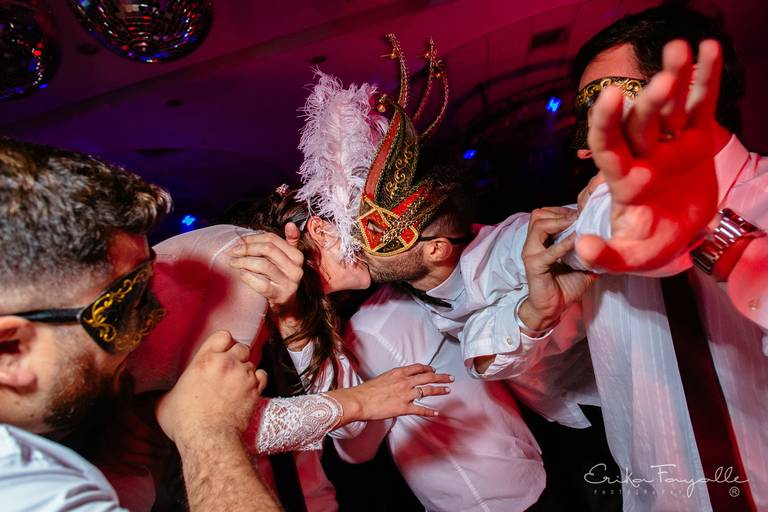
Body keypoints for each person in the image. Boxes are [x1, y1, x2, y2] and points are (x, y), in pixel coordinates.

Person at [234, 35, 599, 511]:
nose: (364, 245)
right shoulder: (395, 289)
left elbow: (355, 445)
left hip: (511, 483)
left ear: (320, 230)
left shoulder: (382, 317)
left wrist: (596, 212)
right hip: (537, 453)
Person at [0, 137, 451, 511]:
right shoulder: (240, 262)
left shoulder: (303, 298)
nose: (152, 315)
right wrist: (355, 402)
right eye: (124, 305)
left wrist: (297, 321)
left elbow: (346, 434)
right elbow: (203, 413)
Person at [468, 5, 766, 510]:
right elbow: (520, 371)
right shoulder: (594, 239)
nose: (585, 149)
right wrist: (537, 312)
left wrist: (714, 237)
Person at [0, 139, 279, 510]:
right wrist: (207, 430)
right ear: (10, 349)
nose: (153, 317)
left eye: (148, 290)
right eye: (121, 309)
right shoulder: (29, 492)